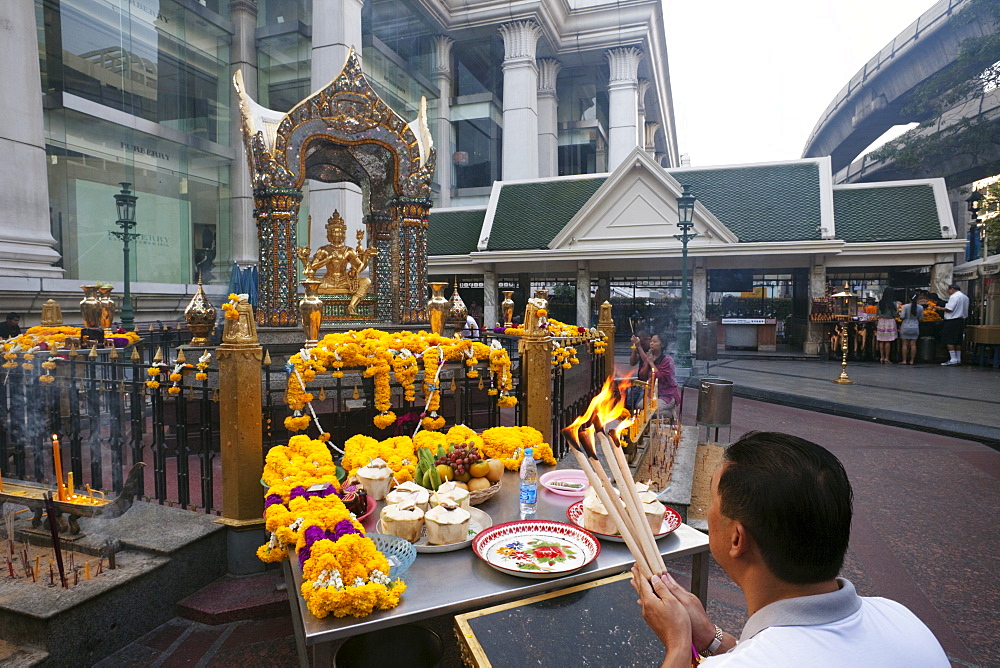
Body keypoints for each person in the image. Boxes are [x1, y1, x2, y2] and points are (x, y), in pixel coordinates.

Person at [632, 431, 949, 667]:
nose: (710, 510)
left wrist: (677, 646)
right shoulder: (901, 618)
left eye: (712, 499)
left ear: (737, 539)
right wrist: (713, 640)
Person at [631, 331, 681, 421]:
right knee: (639, 406)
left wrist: (651, 363)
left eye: (655, 342)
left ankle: (670, 414)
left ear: (662, 345)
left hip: (666, 395)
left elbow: (660, 377)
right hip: (652, 394)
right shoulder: (650, 356)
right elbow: (642, 375)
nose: (651, 344)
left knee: (652, 411)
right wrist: (647, 363)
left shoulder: (667, 360)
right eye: (651, 341)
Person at [940, 284, 969, 366]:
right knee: (957, 340)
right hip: (960, 321)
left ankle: (953, 359)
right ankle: (958, 359)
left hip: (951, 321)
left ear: (952, 289)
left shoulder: (954, 297)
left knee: (949, 339)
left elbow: (949, 309)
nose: (948, 292)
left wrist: (939, 308)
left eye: (948, 290)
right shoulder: (965, 297)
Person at [874, 288, 898, 364]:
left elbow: (877, 312)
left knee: (881, 340)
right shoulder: (892, 303)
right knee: (888, 341)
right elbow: (894, 314)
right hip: (889, 322)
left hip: (881, 322)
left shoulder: (880, 303)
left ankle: (882, 357)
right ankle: (887, 358)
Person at [899, 293, 923, 365]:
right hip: (915, 327)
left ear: (909, 298)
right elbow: (921, 318)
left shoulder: (905, 307)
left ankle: (904, 360)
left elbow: (902, 316)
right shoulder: (920, 307)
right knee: (913, 344)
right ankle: (912, 361)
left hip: (905, 326)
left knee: (904, 344)